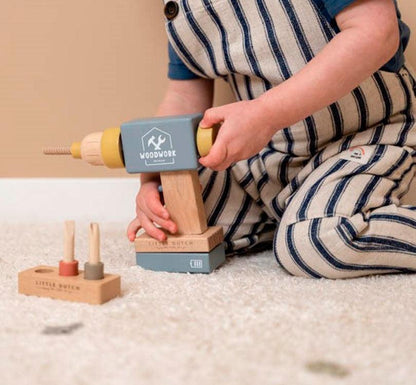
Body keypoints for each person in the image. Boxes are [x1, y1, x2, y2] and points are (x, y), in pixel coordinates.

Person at [127, 0, 416, 278]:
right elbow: (183, 96)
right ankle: (293, 211)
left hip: (362, 137)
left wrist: (264, 114)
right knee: (181, 219)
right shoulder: (182, 7)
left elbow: (377, 34)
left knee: (317, 241)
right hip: (263, 159)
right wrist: (156, 178)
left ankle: (306, 219)